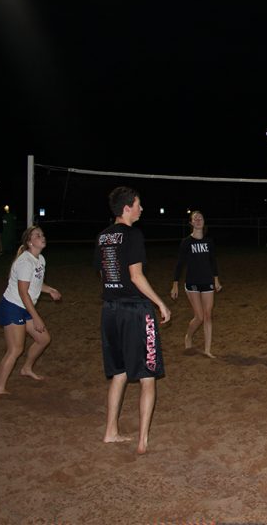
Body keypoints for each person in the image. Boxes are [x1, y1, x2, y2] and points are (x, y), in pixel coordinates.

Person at [95, 186, 171, 455]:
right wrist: (159, 302)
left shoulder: (103, 237)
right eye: (138, 205)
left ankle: (110, 432)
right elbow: (136, 276)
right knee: (147, 376)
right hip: (134, 311)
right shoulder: (133, 234)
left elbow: (104, 275)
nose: (141, 209)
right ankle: (142, 441)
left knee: (119, 373)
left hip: (110, 311)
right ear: (126, 208)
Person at [0, 226, 61, 395]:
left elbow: (35, 285)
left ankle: (26, 368)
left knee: (43, 339)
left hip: (24, 307)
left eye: (42, 234)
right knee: (16, 349)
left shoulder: (40, 259)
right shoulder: (25, 262)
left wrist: (50, 290)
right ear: (30, 242)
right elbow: (23, 293)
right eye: (38, 235)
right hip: (12, 307)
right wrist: (36, 317)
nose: (42, 237)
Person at [170, 210, 222, 358]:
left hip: (207, 282)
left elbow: (213, 261)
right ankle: (188, 336)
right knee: (199, 316)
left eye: (201, 217)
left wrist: (216, 279)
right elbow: (179, 264)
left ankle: (207, 349)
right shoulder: (186, 242)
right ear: (191, 223)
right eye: (195, 218)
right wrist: (175, 284)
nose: (198, 220)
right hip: (192, 283)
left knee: (207, 315)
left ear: (204, 222)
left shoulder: (209, 242)